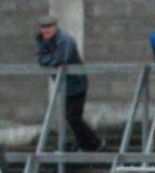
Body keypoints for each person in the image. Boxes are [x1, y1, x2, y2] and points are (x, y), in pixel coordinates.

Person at [34, 16, 103, 152]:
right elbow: (40, 59)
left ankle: (95, 143)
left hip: (76, 84)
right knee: (71, 117)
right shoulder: (42, 40)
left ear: (55, 27)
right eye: (44, 28)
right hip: (64, 86)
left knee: (73, 117)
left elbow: (60, 60)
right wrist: (50, 59)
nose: (46, 31)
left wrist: (49, 59)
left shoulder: (65, 40)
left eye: (49, 28)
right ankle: (87, 144)